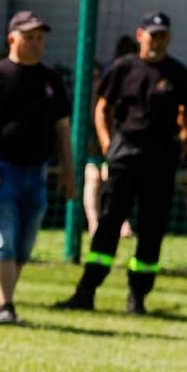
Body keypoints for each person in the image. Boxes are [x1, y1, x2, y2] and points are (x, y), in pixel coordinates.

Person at [56, 11, 187, 315]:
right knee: (109, 223)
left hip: (161, 159)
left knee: (152, 228)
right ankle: (87, 291)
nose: (157, 42)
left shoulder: (177, 72)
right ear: (140, 36)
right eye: (152, 35)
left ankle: (138, 297)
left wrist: (182, 148)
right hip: (125, 156)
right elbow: (102, 108)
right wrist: (108, 144)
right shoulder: (123, 68)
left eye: (163, 36)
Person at [0, 12, 73, 324]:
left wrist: (69, 169)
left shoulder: (51, 79)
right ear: (12, 38)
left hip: (37, 171)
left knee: (24, 245)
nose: (36, 43)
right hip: (2, 170)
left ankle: (4, 299)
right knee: (5, 238)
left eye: (40, 38)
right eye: (29, 37)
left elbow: (62, 127)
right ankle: (5, 304)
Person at [83, 34, 140, 239]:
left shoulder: (136, 80)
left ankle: (121, 221)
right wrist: (103, 140)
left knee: (113, 178)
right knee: (93, 177)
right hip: (97, 140)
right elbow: (97, 111)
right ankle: (93, 223)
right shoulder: (106, 79)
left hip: (120, 139)